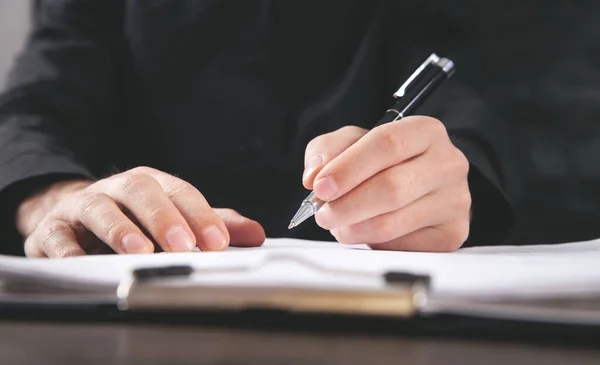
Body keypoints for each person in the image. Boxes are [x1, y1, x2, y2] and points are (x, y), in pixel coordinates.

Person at [0, 0, 513, 258]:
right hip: (133, 308)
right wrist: (53, 197)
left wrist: (442, 180)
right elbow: (34, 108)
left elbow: (463, 103)